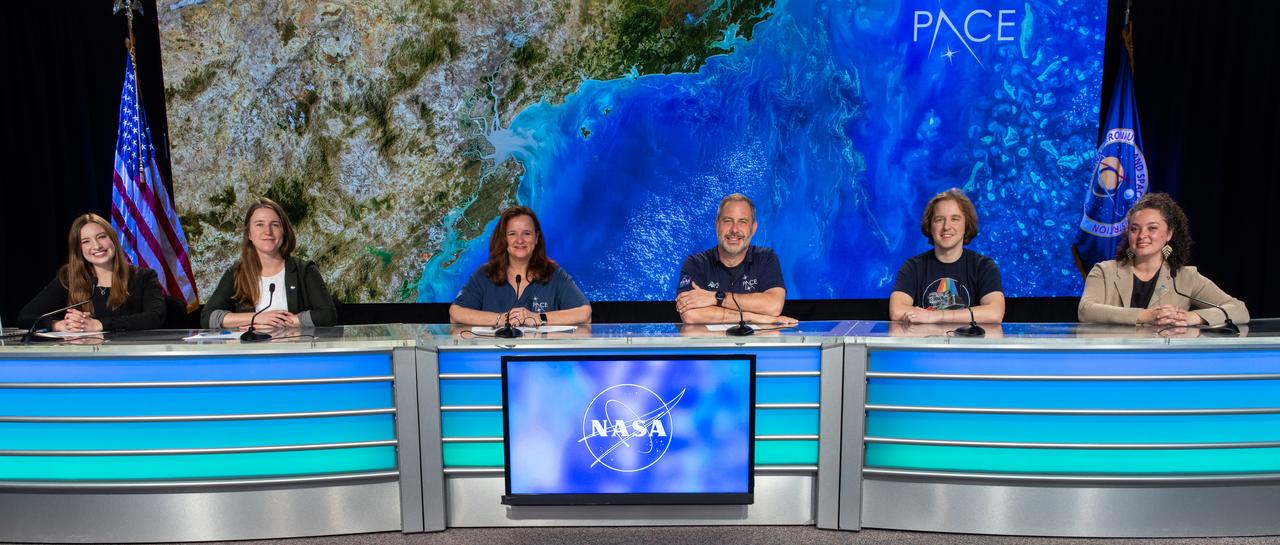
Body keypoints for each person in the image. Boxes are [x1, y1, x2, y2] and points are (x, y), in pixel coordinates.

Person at [1078, 192, 1248, 326]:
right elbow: (1086, 311)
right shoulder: (1104, 271)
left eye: (1152, 228)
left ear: (1169, 234)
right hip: (1114, 361)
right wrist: (1146, 316)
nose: (1142, 235)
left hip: (1162, 362)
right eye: (1134, 229)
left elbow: (1239, 310)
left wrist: (1193, 317)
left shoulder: (1186, 277)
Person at [200, 197, 337, 329]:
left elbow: (327, 315)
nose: (268, 232)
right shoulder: (236, 273)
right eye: (260, 224)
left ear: (284, 232)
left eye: (275, 225)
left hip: (296, 350)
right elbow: (208, 318)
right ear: (249, 234)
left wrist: (278, 322)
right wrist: (256, 318)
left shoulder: (305, 270)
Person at [17, 213, 165, 331]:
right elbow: (25, 317)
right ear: (78, 249)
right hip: (84, 362)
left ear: (113, 239)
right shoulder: (69, 278)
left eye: (101, 237)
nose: (97, 246)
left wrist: (99, 325)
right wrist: (59, 325)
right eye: (85, 241)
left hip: (130, 359)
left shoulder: (144, 277)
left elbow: (155, 317)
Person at [449, 206, 592, 326]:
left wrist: (537, 318)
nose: (520, 240)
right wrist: (502, 319)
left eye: (527, 233)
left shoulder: (553, 273)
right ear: (504, 239)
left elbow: (584, 312)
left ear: (536, 238)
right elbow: (456, 313)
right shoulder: (486, 273)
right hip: (493, 357)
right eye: (512, 234)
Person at [676, 193, 795, 325]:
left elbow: (774, 306)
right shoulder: (695, 263)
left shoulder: (766, 258)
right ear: (717, 225)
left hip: (755, 345)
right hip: (711, 345)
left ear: (753, 228)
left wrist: (716, 297)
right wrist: (752, 316)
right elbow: (690, 315)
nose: (734, 229)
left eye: (742, 222)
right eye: (728, 221)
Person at [890, 188, 1005, 323]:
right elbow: (896, 311)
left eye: (955, 219)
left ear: (966, 225)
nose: (946, 227)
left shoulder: (984, 267)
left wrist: (935, 316)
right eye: (939, 220)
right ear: (930, 226)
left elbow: (995, 313)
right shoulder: (913, 267)